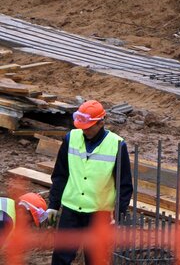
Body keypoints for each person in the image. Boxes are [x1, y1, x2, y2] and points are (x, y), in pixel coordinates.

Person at [48, 100, 133, 265]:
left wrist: (118, 214)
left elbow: (124, 185)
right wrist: (53, 204)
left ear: (101, 122)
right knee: (60, 258)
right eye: (81, 126)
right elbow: (60, 174)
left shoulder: (116, 145)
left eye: (88, 127)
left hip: (99, 214)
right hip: (71, 210)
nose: (84, 130)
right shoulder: (71, 138)